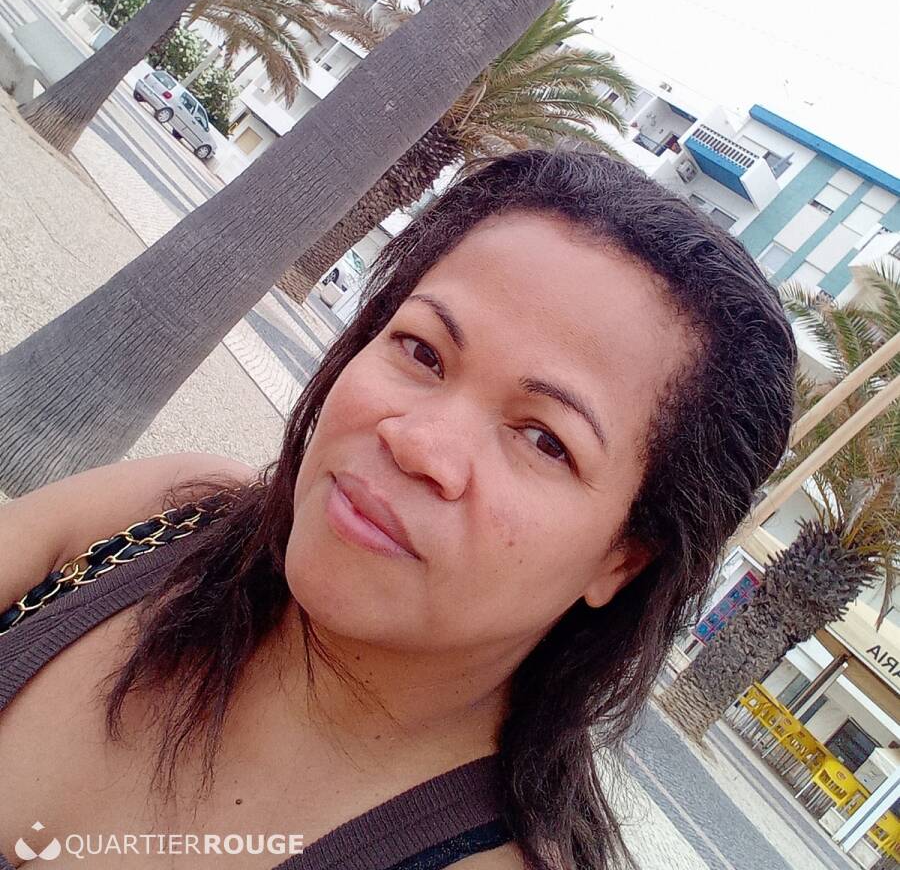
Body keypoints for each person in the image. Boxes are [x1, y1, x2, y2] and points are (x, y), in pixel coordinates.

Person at [0, 149, 796, 869]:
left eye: (544, 440)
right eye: (422, 350)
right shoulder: (153, 521)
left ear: (623, 558)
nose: (417, 445)